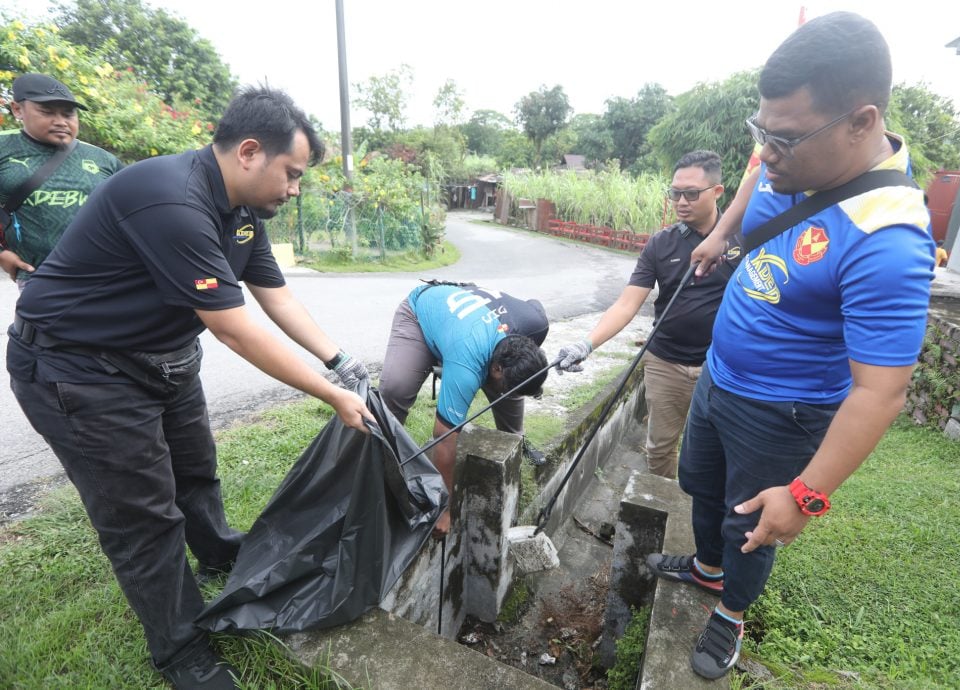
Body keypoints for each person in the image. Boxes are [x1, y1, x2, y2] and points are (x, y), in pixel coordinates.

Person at [7, 85, 373, 690]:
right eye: (293, 173)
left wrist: (341, 360)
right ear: (251, 152)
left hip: (164, 360)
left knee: (195, 470)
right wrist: (333, 394)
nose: (295, 188)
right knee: (143, 518)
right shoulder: (170, 199)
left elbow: (274, 295)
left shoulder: (244, 213)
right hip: (80, 371)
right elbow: (234, 329)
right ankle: (181, 651)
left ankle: (217, 550)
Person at [645, 12, 935, 680]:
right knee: (700, 485)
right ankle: (705, 568)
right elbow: (755, 167)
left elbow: (880, 390)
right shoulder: (794, 154)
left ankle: (729, 612)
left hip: (782, 412)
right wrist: (722, 234)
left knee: (754, 523)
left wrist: (805, 494)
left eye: (785, 140)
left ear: (861, 122)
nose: (767, 154)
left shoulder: (885, 239)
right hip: (718, 378)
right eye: (762, 132)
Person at [554, 151, 741, 479]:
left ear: (717, 191)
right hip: (665, 363)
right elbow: (627, 304)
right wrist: (586, 344)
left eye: (691, 193)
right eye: (675, 193)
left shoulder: (741, 239)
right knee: (659, 448)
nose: (681, 201)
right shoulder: (661, 244)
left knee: (720, 452)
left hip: (724, 368)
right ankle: (661, 509)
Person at [379, 281, 550, 537]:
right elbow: (445, 439)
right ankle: (379, 452)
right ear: (495, 369)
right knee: (396, 388)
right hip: (422, 314)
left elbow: (534, 305)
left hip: (472, 325)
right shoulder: (467, 364)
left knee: (512, 396)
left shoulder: (535, 324)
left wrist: (515, 388)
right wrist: (446, 510)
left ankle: (517, 444)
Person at [0, 73, 122, 286]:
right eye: (47, 112)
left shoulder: (102, 159)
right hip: (39, 277)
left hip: (106, 277)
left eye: (68, 114)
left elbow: (131, 210)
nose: (61, 122)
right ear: (18, 109)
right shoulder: (4, 149)